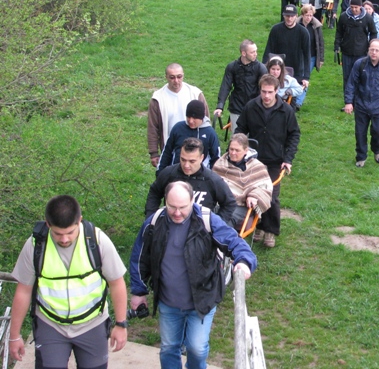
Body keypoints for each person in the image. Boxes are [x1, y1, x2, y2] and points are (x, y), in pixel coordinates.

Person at [130, 181, 257, 369]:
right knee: (168, 347)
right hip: (168, 302)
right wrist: (139, 291)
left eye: (183, 207)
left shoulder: (207, 221)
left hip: (202, 302)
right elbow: (139, 257)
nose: (177, 213)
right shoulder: (154, 222)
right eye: (172, 207)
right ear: (165, 202)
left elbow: (235, 243)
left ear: (192, 201)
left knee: (196, 349)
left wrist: (244, 263)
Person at [9, 195, 127, 366]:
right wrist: (14, 336)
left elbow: (117, 283)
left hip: (92, 323)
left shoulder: (97, 241)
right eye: (58, 233)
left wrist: (121, 324)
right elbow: (23, 291)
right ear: (48, 224)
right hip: (51, 325)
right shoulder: (36, 245)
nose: (64, 239)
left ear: (79, 220)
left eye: (70, 232)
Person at [235, 74, 301, 248]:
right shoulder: (251, 107)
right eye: (263, 92)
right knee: (250, 194)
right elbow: (240, 128)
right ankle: (257, 225)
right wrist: (239, 149)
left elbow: (294, 134)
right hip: (253, 160)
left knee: (271, 196)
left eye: (270, 92)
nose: (266, 96)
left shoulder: (286, 111)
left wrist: (288, 158)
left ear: (276, 91)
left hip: (274, 160)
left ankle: (270, 230)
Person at [146, 138, 238, 226]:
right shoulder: (169, 173)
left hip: (199, 229)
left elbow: (229, 203)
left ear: (201, 158)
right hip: (170, 224)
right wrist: (151, 217)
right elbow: (154, 192)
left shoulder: (212, 180)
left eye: (192, 161)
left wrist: (216, 224)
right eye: (183, 159)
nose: (186, 165)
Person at [344, 39, 379, 167]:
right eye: (371, 50)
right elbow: (351, 84)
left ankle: (377, 150)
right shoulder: (359, 64)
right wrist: (348, 102)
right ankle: (361, 157)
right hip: (361, 106)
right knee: (360, 133)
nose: (374, 52)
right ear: (368, 50)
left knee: (378, 132)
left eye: (377, 50)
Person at [213, 133, 273, 244]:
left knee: (226, 219)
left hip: (240, 204)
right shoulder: (221, 163)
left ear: (246, 150)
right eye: (231, 149)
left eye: (237, 150)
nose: (233, 153)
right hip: (219, 201)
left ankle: (224, 248)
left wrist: (254, 196)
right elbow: (212, 182)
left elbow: (265, 186)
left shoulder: (256, 166)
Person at [148, 63, 209, 168]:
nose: (176, 80)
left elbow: (206, 120)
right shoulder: (158, 99)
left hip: (194, 148)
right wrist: (154, 153)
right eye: (172, 77)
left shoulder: (195, 93)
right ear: (166, 77)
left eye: (179, 77)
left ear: (183, 75)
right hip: (170, 149)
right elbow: (153, 127)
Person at [214, 39, 267, 134]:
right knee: (237, 138)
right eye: (252, 52)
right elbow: (225, 86)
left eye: (256, 51)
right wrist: (220, 106)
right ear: (243, 53)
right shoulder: (232, 67)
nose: (256, 54)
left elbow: (265, 89)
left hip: (255, 108)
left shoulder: (260, 68)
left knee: (253, 139)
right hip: (237, 107)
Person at [262, 4, 311, 105]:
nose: (289, 18)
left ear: (296, 16)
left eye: (292, 16)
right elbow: (268, 50)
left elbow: (307, 56)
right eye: (287, 16)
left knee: (290, 103)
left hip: (296, 70)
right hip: (276, 69)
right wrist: (264, 69)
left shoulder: (303, 32)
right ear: (283, 15)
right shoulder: (276, 30)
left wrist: (306, 77)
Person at [334, 0, 377, 100]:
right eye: (352, 7)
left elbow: (373, 32)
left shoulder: (367, 17)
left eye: (356, 7)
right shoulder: (344, 16)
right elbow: (339, 31)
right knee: (347, 77)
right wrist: (337, 45)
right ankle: (348, 101)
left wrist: (371, 46)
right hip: (346, 52)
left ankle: (359, 100)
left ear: (360, 6)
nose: (354, 9)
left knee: (360, 77)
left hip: (361, 53)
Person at [158, 100, 220, 173]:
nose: (190, 121)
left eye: (194, 118)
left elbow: (216, 159)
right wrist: (160, 173)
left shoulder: (210, 133)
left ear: (202, 117)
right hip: (176, 174)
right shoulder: (178, 128)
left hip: (200, 178)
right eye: (188, 117)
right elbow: (167, 152)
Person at [297, 3, 325, 103]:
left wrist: (321, 58)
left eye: (311, 15)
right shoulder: (296, 25)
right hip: (298, 55)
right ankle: (293, 98)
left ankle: (298, 102)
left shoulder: (316, 26)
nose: (309, 18)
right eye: (307, 15)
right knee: (297, 76)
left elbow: (321, 43)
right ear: (302, 15)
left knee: (305, 77)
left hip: (311, 56)